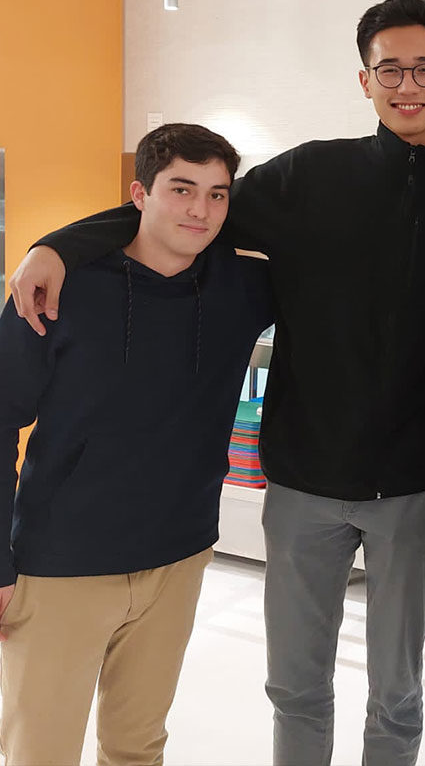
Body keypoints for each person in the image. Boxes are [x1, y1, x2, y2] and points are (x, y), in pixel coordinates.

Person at [7, 0, 425, 766]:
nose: (408, 83)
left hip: (415, 482)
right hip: (303, 480)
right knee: (296, 688)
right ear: (364, 80)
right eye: (389, 68)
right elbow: (184, 213)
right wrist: (61, 243)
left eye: (423, 67)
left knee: (398, 695)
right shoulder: (310, 172)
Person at [0, 123, 272, 765]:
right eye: (181, 189)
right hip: (61, 564)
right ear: (139, 193)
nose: (200, 210)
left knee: (137, 748)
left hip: (177, 559)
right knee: (40, 753)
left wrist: (55, 240)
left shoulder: (243, 289)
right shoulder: (55, 291)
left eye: (217, 194)